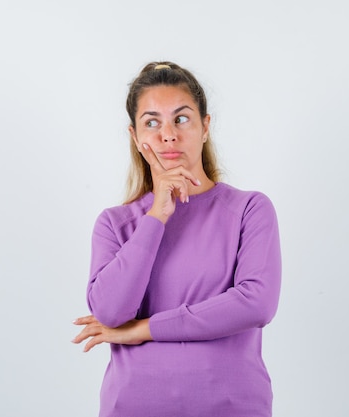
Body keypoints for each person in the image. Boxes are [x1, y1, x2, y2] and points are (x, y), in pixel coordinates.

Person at [72, 61, 282, 417]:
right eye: (152, 122)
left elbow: (255, 304)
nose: (167, 134)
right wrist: (156, 216)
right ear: (136, 137)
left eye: (181, 118)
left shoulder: (250, 209)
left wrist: (143, 329)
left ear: (205, 127)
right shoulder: (115, 224)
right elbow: (109, 312)